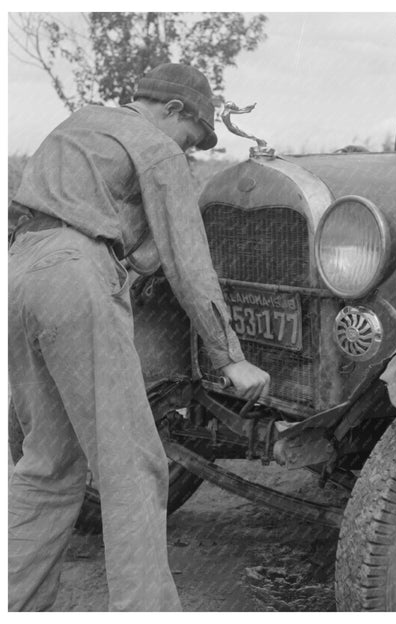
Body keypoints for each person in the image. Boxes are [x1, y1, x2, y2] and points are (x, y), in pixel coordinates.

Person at [8, 63, 270, 612]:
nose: (189, 151)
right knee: (133, 467)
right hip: (77, 278)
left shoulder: (82, 122)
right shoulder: (157, 147)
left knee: (47, 464)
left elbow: (127, 239)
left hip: (19, 273)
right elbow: (188, 264)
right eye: (192, 140)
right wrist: (232, 358)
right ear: (174, 111)